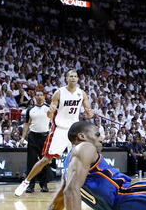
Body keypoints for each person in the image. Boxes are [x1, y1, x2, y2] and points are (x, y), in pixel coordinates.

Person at [14, 69, 93, 197]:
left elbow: (89, 111)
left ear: (78, 79)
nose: (73, 78)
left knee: (81, 158)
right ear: (66, 79)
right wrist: (51, 111)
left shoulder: (82, 94)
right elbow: (49, 114)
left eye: (75, 76)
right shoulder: (59, 93)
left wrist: (90, 113)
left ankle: (81, 186)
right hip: (60, 130)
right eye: (70, 76)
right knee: (46, 159)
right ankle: (26, 182)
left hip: (74, 130)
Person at [20, 89, 51, 192]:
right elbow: (26, 125)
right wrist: (23, 137)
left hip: (45, 137)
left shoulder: (49, 108)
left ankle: (44, 185)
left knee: (44, 162)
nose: (39, 96)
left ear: (44, 97)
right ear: (34, 97)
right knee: (31, 162)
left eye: (41, 95)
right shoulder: (30, 110)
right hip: (32, 137)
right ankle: (30, 185)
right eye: (37, 95)